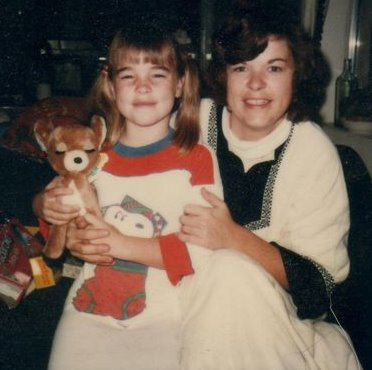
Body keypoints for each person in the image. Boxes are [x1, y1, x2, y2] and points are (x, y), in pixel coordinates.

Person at [176, 2, 361, 370]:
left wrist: (234, 238)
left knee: (229, 270)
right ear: (223, 76)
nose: (256, 84)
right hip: (182, 308)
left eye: (274, 68)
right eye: (241, 67)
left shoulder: (314, 153)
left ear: (297, 75)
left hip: (283, 331)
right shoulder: (191, 122)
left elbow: (318, 291)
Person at [33, 21, 222, 369]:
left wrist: (121, 245)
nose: (143, 87)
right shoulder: (92, 156)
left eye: (158, 74)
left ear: (180, 84)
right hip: (87, 313)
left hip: (166, 318)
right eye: (128, 76)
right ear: (110, 85)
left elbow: (203, 251)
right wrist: (48, 210)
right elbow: (56, 238)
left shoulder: (196, 158)